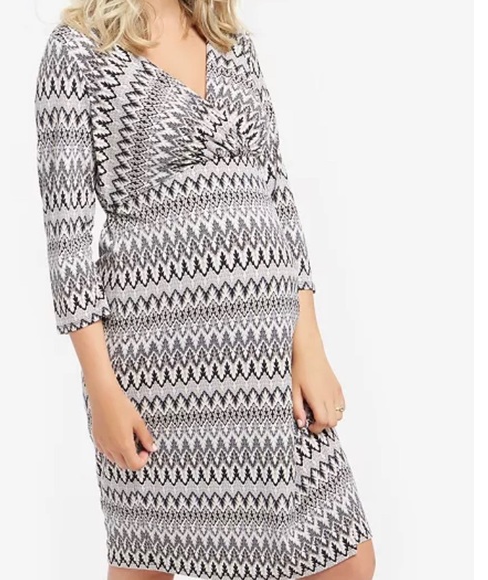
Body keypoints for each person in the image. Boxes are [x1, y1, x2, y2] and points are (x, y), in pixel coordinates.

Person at [34, 1, 375, 579]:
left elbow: (277, 192)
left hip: (268, 358)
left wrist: (311, 348)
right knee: (148, 560)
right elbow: (66, 238)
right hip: (154, 367)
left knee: (348, 562)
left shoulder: (231, 43)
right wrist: (103, 390)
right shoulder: (77, 50)